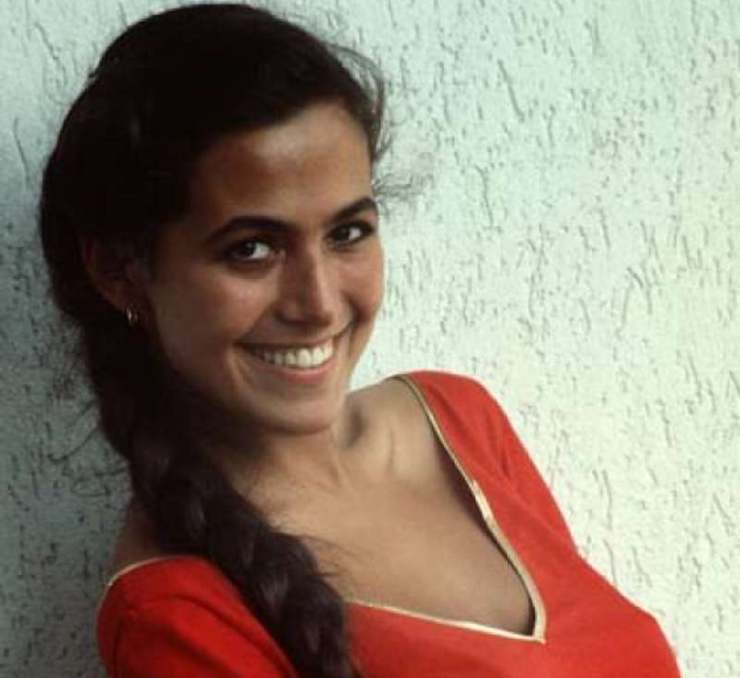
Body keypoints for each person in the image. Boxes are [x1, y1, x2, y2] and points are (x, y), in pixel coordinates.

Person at [39, 4, 682, 677]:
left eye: (347, 233)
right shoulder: (178, 615)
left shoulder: (459, 422)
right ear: (120, 274)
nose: (319, 303)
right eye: (251, 249)